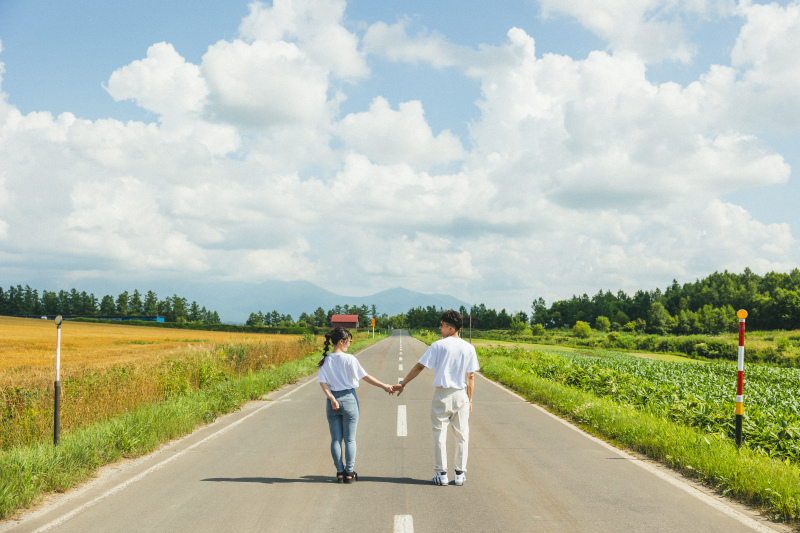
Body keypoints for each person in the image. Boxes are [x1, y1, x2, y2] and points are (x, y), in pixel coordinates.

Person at [396, 310, 479, 486]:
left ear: (450, 328)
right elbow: (470, 376)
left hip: (442, 395)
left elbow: (420, 366)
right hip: (461, 395)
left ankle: (441, 474)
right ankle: (459, 474)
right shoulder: (469, 348)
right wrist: (470, 400)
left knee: (439, 433)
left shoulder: (438, 346)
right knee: (462, 434)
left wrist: (403, 383)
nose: (439, 328)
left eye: (441, 325)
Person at [318, 327, 395, 483]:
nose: (349, 345)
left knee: (335, 440)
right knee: (350, 440)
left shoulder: (325, 360)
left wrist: (332, 398)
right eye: (348, 342)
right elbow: (365, 377)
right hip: (349, 399)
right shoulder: (350, 359)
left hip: (332, 401)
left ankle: (340, 472)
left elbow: (323, 383)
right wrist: (384, 386)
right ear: (341, 341)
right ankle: (349, 472)